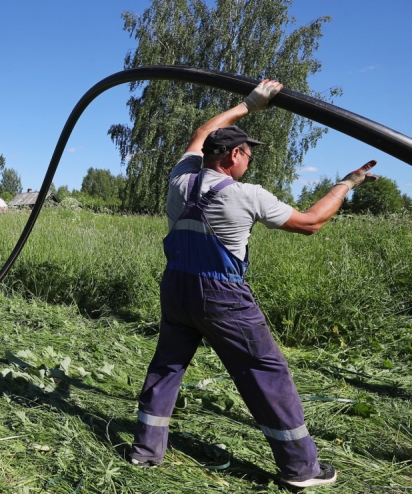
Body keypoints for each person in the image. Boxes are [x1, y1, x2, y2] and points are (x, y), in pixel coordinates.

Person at [130, 79, 378, 489]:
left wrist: (248, 105)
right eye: (248, 153)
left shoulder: (180, 179)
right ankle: (301, 469)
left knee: (167, 366)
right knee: (266, 371)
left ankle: (144, 452)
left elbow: (202, 133)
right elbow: (311, 222)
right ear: (233, 155)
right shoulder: (247, 195)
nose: (250, 160)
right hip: (222, 298)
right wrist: (347, 184)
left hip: (176, 289)